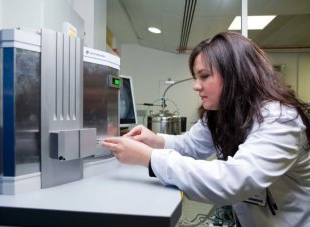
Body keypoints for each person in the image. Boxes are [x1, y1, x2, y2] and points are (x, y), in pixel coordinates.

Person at [102, 32, 310, 227]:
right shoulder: (221, 113)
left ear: (235, 75)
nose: (196, 86)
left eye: (204, 76)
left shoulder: (280, 119)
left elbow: (233, 181)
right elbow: (191, 145)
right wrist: (155, 140)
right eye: (195, 77)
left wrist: (150, 158)